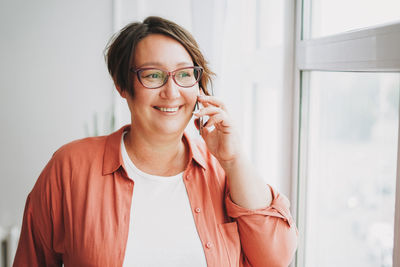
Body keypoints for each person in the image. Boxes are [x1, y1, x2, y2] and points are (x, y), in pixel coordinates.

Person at [13, 16, 298, 267]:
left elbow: (275, 259)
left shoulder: (224, 169)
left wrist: (235, 161)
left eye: (185, 74)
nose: (172, 92)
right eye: (153, 75)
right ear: (122, 85)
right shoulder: (70, 167)